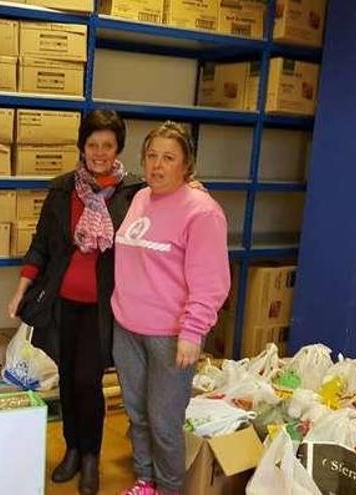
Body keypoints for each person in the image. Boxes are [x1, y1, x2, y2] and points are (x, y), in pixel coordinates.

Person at [7, 110, 143, 495]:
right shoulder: (63, 189)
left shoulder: (135, 194)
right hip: (61, 304)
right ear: (82, 147)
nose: (99, 152)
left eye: (108, 145)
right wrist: (20, 291)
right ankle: (71, 449)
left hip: (103, 308)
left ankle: (90, 458)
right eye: (92, 144)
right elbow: (41, 245)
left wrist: (192, 187)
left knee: (88, 382)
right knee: (67, 380)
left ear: (118, 148)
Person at [112, 122, 230, 495]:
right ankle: (145, 481)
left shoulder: (202, 212)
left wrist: (193, 331)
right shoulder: (141, 198)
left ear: (186, 165)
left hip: (170, 334)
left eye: (168, 158)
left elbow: (211, 281)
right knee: (136, 414)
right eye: (151, 156)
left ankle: (169, 488)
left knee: (164, 420)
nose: (157, 166)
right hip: (127, 327)